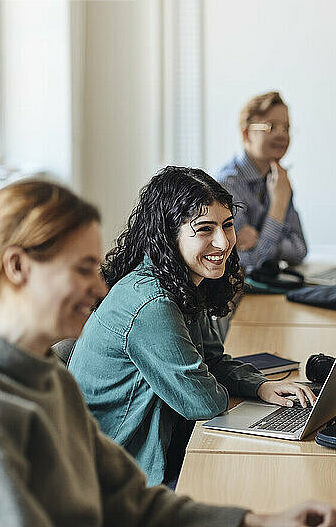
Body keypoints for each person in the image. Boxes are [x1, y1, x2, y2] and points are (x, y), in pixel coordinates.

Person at [0, 179, 336, 527]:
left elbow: (129, 499)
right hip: (153, 460)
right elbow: (201, 403)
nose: (98, 287)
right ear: (17, 267)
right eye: (82, 269)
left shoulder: (50, 379)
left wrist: (259, 521)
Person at [69, 166, 315, 488]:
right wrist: (220, 387)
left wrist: (260, 386)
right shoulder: (151, 304)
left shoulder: (182, 284)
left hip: (160, 445)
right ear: (169, 235)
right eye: (204, 229)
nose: (223, 241)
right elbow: (203, 401)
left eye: (228, 225)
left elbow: (211, 360)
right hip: (121, 474)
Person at [216, 91, 307, 273]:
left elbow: (300, 249)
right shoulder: (226, 185)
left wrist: (261, 240)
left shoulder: (278, 179)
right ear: (246, 134)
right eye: (270, 127)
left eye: (286, 128)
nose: (282, 135)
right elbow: (250, 262)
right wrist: (278, 207)